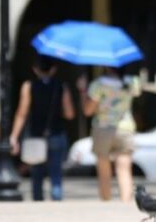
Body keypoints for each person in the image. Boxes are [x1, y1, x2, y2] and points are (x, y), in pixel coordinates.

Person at [9, 57, 75, 201]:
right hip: (56, 133)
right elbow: (70, 114)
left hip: (36, 134)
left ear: (35, 69)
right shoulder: (61, 86)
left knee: (37, 173)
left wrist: (14, 136)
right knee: (56, 173)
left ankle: (38, 204)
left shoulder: (29, 86)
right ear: (54, 69)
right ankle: (56, 203)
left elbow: (22, 112)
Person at [77, 67, 141, 202]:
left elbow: (88, 111)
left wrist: (83, 91)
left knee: (104, 171)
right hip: (125, 128)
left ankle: (106, 205)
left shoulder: (98, 84)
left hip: (102, 128)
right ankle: (125, 205)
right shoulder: (133, 82)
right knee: (124, 170)